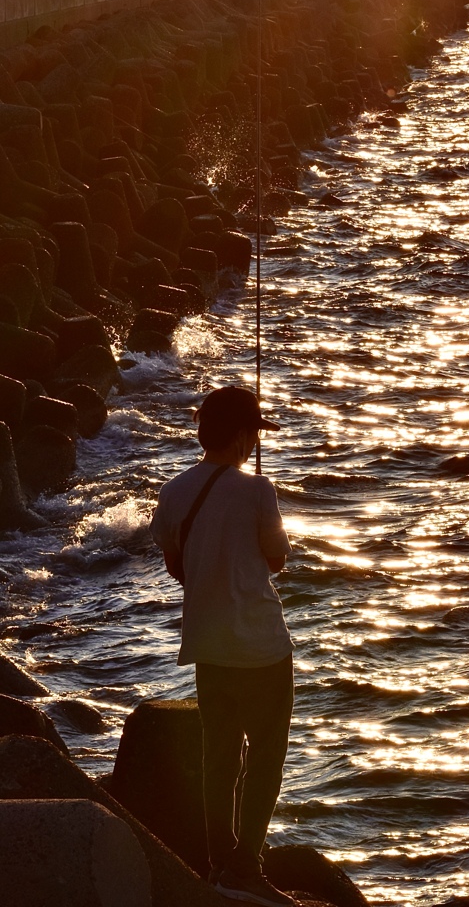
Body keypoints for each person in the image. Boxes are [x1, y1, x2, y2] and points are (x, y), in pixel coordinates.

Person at [150, 386, 294, 907]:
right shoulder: (259, 491)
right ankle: (246, 869)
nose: (256, 441)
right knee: (266, 761)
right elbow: (277, 559)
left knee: (220, 758)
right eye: (254, 432)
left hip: (207, 646)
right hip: (261, 648)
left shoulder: (172, 492)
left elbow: (174, 561)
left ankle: (217, 866)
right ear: (239, 435)